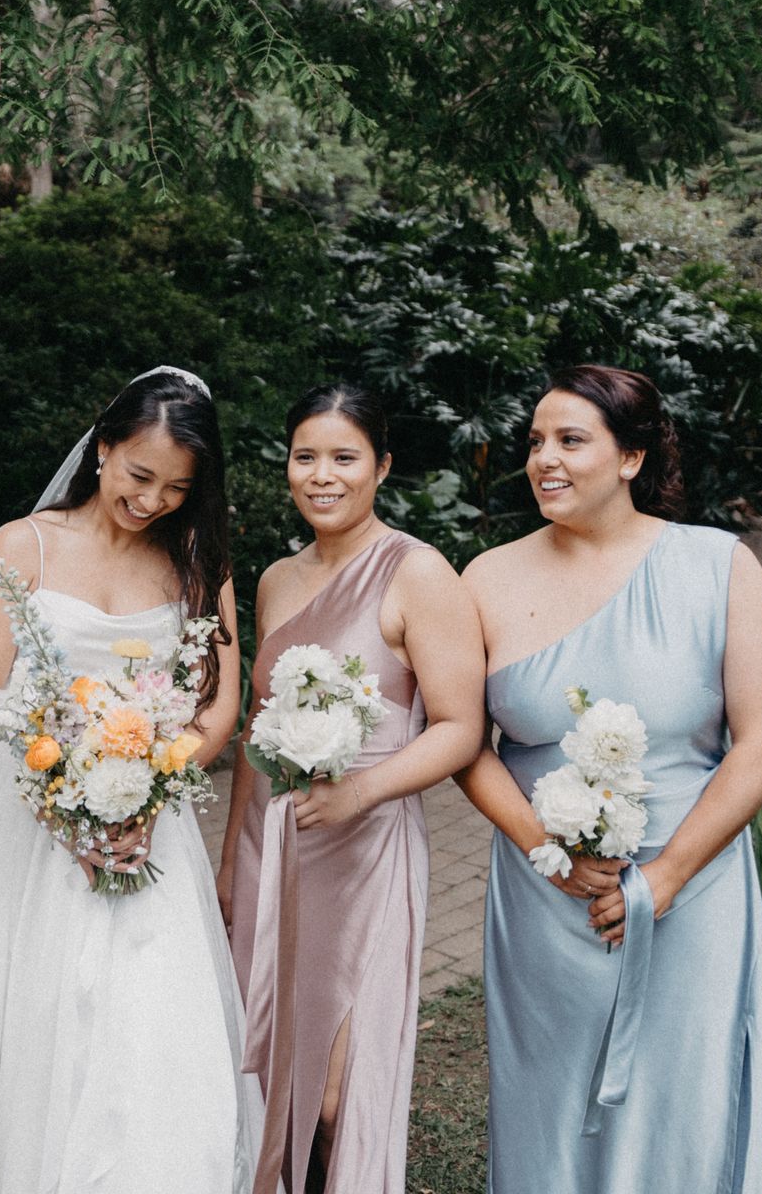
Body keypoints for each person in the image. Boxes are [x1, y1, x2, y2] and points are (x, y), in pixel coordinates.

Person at [0, 367, 259, 1193]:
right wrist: (71, 804)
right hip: (22, 831)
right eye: (140, 476)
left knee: (145, 1038)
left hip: (146, 828)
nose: (152, 501)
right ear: (102, 448)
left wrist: (147, 791)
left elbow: (219, 707)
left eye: (177, 487)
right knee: (25, 1029)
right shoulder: (21, 546)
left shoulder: (198, 565)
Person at [455, 364, 762, 1192]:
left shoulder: (720, 567)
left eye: (571, 440)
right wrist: (550, 853)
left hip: (692, 889)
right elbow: (464, 743)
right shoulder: (486, 578)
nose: (544, 460)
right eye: (536, 442)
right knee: (551, 1100)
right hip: (544, 896)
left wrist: (667, 876)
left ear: (632, 458)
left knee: (681, 1099)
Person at [221, 383, 485, 1194]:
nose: (322, 476)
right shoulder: (276, 579)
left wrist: (361, 794)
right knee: (262, 1067)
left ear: (383, 467)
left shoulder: (419, 573)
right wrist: (234, 857)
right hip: (275, 847)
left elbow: (458, 728)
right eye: (306, 457)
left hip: (364, 851)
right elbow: (254, 732)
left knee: (336, 1095)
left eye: (344, 458)